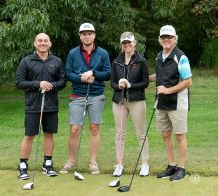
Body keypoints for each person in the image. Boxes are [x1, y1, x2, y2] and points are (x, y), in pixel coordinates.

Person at [60, 23, 111, 175]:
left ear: (94, 35)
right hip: (78, 95)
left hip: (96, 95)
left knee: (94, 128)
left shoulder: (103, 53)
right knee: (74, 129)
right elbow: (68, 73)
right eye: (84, 33)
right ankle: (71, 160)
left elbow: (108, 74)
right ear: (80, 36)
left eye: (89, 33)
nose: (87, 36)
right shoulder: (73, 53)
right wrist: (81, 78)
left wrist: (93, 73)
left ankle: (93, 162)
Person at [15, 33, 66, 180]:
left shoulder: (56, 61)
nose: (43, 43)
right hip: (33, 105)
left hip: (51, 105)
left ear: (50, 44)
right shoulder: (26, 61)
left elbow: (62, 81)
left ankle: (47, 164)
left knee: (49, 134)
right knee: (30, 135)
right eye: (40, 41)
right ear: (35, 44)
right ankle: (23, 166)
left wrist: (51, 85)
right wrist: (38, 84)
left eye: (45, 41)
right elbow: (19, 82)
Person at [150, 25, 192, 181]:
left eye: (169, 37)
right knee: (165, 134)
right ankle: (171, 165)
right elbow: (160, 75)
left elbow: (188, 81)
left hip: (177, 102)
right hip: (161, 102)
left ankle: (181, 168)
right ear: (160, 40)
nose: (166, 40)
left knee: (179, 135)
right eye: (163, 37)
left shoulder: (181, 57)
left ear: (175, 39)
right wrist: (146, 78)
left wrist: (168, 90)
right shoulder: (159, 56)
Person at [110, 32, 149, 177]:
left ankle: (145, 163)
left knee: (141, 133)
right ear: (121, 45)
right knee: (119, 133)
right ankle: (119, 163)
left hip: (136, 100)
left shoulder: (141, 61)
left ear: (134, 43)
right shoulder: (116, 61)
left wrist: (130, 85)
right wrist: (118, 85)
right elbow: (112, 82)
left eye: (129, 42)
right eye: (124, 43)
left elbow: (145, 82)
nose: (127, 45)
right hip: (119, 101)